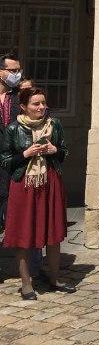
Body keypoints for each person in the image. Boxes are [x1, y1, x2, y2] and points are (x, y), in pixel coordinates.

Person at [0, 87, 75, 299]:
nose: (41, 107)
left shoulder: (55, 125)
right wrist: (25, 153)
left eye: (43, 103)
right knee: (24, 233)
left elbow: (65, 152)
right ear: (23, 106)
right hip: (24, 184)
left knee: (53, 233)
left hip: (50, 181)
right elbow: (4, 160)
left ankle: (54, 278)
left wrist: (55, 151)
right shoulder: (14, 128)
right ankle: (26, 284)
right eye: (36, 104)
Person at [0, 53, 22, 234]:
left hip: (14, 158)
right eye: (12, 70)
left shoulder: (20, 95)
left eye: (18, 70)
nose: (17, 74)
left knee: (9, 198)